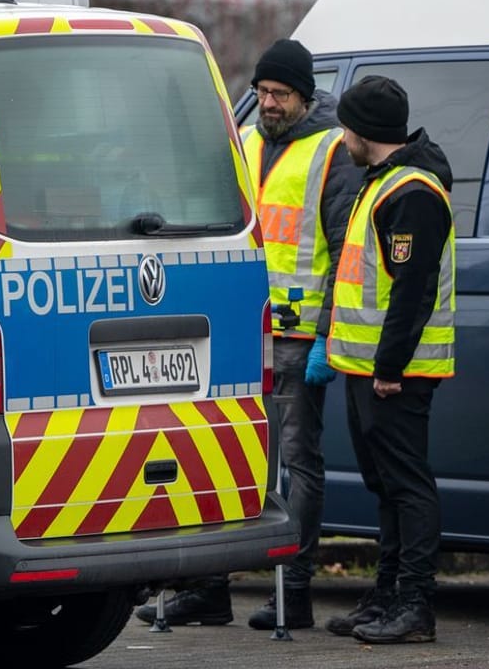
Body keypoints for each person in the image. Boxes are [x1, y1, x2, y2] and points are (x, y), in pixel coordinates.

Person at [133, 38, 358, 630]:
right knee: (219, 456)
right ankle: (209, 589)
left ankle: (297, 592)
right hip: (235, 334)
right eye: (261, 93)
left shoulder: (332, 152)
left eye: (279, 94)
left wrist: (327, 337)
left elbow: (344, 254)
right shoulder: (247, 140)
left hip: (296, 337)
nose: (268, 104)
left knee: (297, 463)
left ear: (304, 96)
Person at [323, 75, 455, 644]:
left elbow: (412, 290)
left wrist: (388, 368)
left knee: (408, 485)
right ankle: (387, 596)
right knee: (386, 486)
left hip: (396, 375)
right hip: (365, 369)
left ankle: (416, 605)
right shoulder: (381, 183)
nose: (342, 136)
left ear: (364, 131)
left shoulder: (413, 194)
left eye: (347, 127)